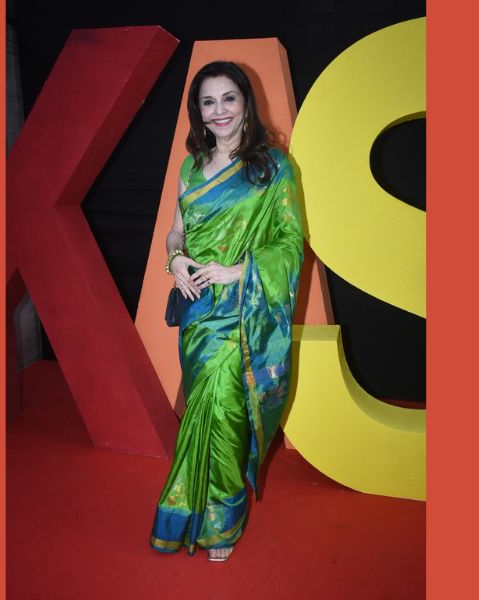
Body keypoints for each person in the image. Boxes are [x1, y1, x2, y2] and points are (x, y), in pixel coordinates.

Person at [149, 61, 304, 562]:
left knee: (226, 415)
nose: (219, 111)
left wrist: (238, 272)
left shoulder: (273, 168)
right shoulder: (190, 167)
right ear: (197, 111)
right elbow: (176, 231)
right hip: (197, 312)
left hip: (242, 315)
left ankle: (220, 523)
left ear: (245, 104)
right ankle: (188, 511)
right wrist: (175, 259)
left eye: (229, 99)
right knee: (200, 410)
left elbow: (291, 244)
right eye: (208, 102)